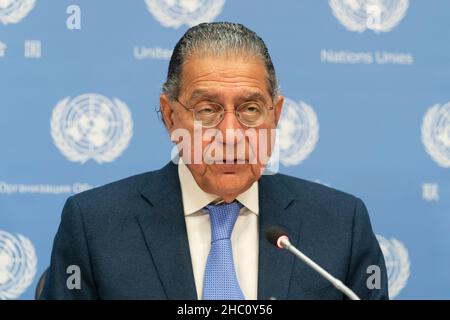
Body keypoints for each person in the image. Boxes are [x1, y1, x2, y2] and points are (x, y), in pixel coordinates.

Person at [40, 22, 388, 300]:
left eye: (251, 110)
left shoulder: (341, 225)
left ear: (276, 114)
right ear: (170, 116)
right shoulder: (95, 225)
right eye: (207, 110)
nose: (231, 133)